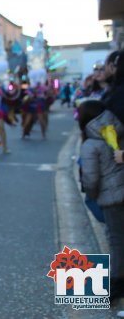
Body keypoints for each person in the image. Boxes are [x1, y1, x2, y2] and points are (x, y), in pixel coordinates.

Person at [78, 99, 124, 301]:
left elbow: (91, 178)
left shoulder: (90, 144)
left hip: (111, 198)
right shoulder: (116, 131)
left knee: (115, 240)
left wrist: (93, 194)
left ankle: (116, 282)